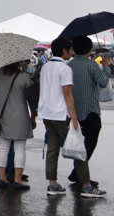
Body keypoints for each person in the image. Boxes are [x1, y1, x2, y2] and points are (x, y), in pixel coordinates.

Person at [37, 37, 100, 196]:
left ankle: (53, 183)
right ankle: (86, 185)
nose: (72, 52)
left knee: (52, 148)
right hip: (61, 114)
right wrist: (74, 117)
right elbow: (67, 94)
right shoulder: (64, 69)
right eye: (70, 50)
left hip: (47, 113)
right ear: (64, 51)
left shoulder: (46, 66)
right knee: (78, 147)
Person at [66, 36, 111, 191]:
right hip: (90, 110)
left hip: (73, 111)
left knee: (78, 143)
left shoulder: (69, 65)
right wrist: (106, 67)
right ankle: (79, 174)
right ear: (88, 49)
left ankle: (78, 173)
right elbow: (103, 82)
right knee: (89, 143)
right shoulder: (91, 64)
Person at [0, 60, 34, 190]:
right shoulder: (24, 77)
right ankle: (18, 179)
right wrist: (34, 116)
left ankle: (2, 177)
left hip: (2, 115)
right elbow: (30, 97)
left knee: (3, 146)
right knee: (20, 147)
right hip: (21, 115)